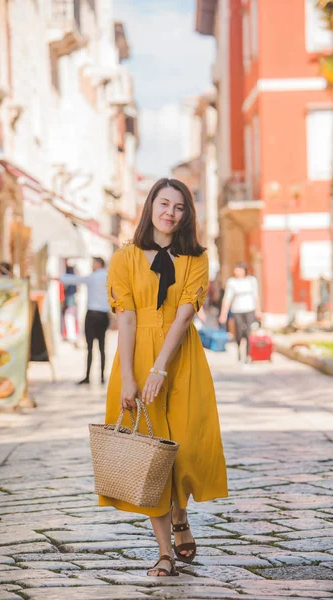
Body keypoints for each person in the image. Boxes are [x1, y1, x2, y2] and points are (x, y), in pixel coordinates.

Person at [103, 177, 228, 578]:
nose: (171, 213)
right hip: (136, 355)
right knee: (151, 458)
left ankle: (180, 515)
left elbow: (184, 314)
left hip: (182, 356)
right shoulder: (124, 258)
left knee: (187, 447)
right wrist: (130, 376)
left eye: (179, 207)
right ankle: (164, 553)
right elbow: (126, 317)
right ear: (150, 206)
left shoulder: (197, 258)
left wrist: (161, 367)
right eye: (164, 203)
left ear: (186, 214)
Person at [60, 257, 109, 385]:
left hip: (92, 314)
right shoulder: (109, 277)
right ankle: (102, 376)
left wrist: (57, 278)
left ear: (99, 264)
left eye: (94, 263)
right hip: (104, 315)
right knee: (102, 347)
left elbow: (75, 280)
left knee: (90, 347)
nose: (92, 266)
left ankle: (88, 376)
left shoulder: (92, 277)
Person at [219, 262, 261, 362]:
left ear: (244, 270)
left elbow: (256, 297)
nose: (236, 271)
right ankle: (239, 348)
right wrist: (223, 314)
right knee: (239, 331)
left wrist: (258, 311)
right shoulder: (232, 282)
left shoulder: (252, 280)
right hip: (237, 310)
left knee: (248, 332)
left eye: (238, 269)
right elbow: (227, 299)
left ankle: (248, 354)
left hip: (249, 309)